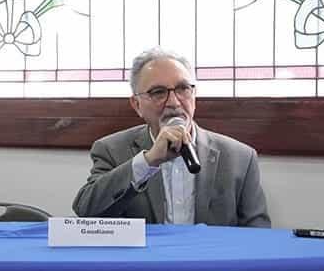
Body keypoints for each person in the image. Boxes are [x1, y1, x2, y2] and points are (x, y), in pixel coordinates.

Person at [72, 48, 270, 227]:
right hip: (146, 265)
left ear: (194, 95)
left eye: (183, 89)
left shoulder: (241, 158)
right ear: (136, 105)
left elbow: (258, 235)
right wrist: (148, 161)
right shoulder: (111, 149)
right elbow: (86, 211)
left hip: (210, 264)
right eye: (158, 92)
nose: (174, 102)